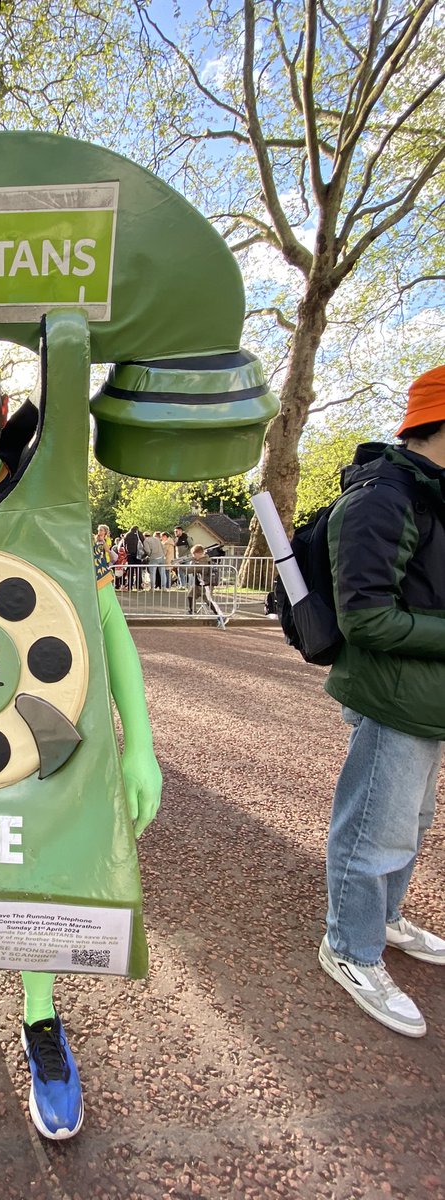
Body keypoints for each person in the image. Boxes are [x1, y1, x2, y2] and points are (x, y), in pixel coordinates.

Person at [0, 350, 162, 1140]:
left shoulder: (48, 500)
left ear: (1, 407)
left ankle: (41, 1016)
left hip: (37, 725)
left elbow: (109, 626)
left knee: (35, 869)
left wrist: (139, 745)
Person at [318, 365, 445, 1038]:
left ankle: (383, 921)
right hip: (392, 696)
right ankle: (349, 947)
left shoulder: (426, 493)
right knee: (374, 830)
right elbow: (366, 617)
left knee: (411, 822)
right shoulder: (382, 496)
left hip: (425, 696)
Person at [182, 544, 226, 628]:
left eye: (194, 554)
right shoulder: (199, 560)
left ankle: (220, 616)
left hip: (206, 585)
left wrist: (180, 566)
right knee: (190, 596)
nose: (193, 556)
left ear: (198, 553)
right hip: (199, 583)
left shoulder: (204, 561)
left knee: (209, 601)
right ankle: (192, 612)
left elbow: (190, 570)